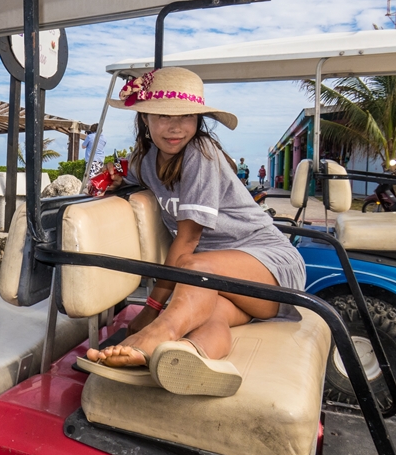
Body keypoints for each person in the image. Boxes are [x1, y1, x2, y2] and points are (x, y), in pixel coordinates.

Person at [80, 67, 305, 397]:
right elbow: (132, 175)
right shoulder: (146, 159)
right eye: (162, 117)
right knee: (209, 319)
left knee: (195, 267)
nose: (175, 127)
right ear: (144, 118)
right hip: (221, 282)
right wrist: (116, 180)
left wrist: (152, 312)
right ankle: (191, 358)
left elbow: (187, 243)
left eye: (187, 116)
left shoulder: (200, 153)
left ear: (199, 120)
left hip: (269, 266)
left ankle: (157, 337)